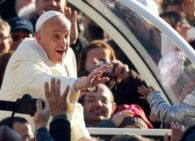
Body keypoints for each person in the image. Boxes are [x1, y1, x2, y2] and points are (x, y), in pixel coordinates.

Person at [0, 10, 112, 141]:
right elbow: (39, 81)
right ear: (39, 37)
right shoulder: (26, 49)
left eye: (66, 36)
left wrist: (83, 136)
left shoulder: (69, 55)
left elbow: (71, 106)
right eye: (56, 36)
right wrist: (77, 84)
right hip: (14, 134)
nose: (63, 43)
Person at [77, 40, 151, 116]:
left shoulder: (122, 87)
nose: (98, 64)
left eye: (102, 61)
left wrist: (130, 77)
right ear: (84, 64)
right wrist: (88, 75)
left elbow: (149, 98)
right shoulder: (76, 83)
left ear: (111, 62)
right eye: (92, 61)